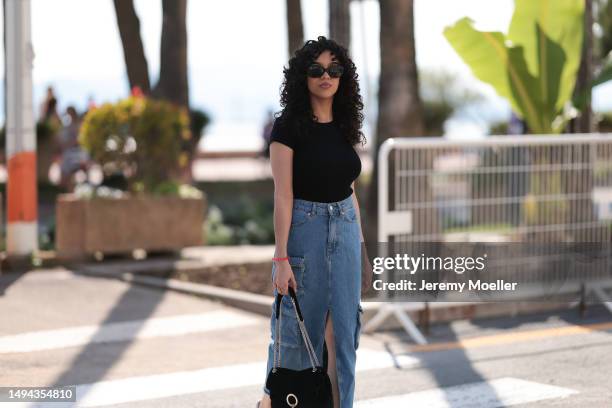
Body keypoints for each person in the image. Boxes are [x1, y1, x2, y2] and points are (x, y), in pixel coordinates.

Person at [257, 36, 367, 408]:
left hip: (346, 228)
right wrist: (281, 257)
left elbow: (348, 188)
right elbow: (283, 195)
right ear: (302, 77)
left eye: (334, 70)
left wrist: (362, 249)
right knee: (295, 338)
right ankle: (274, 403)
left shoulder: (345, 125)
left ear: (343, 77)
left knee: (344, 340)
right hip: (306, 231)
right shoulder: (288, 128)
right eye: (316, 69)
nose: (326, 76)